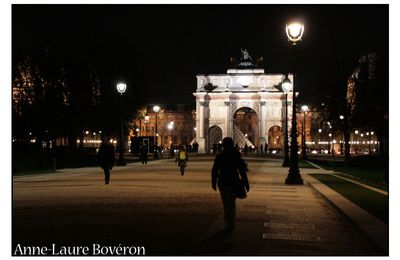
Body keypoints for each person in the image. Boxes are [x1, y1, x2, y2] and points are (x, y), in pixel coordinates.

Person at [211, 137, 250, 232]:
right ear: (232, 144)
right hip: (233, 180)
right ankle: (230, 223)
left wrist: (213, 182)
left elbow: (215, 170)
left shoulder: (220, 155)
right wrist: (246, 183)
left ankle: (227, 222)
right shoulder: (235, 155)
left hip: (222, 181)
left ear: (223, 145)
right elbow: (241, 169)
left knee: (226, 203)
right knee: (231, 203)